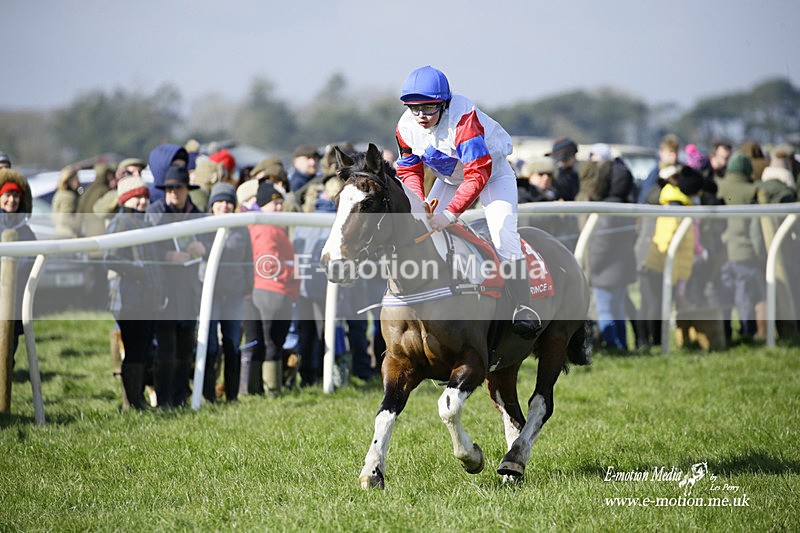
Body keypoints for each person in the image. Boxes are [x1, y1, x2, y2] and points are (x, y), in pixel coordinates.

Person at [394, 65, 539, 338]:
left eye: (428, 108)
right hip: (449, 180)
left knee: (503, 234)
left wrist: (448, 215)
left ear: (444, 104)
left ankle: (523, 308)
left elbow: (478, 173)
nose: (421, 116)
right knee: (421, 230)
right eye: (415, 108)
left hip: (492, 175)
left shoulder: (463, 120)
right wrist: (420, 201)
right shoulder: (405, 127)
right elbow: (409, 169)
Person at [145, 165, 207, 407]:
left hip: (190, 292)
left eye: (178, 188)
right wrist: (167, 256)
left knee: (184, 350)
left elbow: (212, 240)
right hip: (165, 292)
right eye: (169, 189)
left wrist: (205, 247)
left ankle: (180, 398)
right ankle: (164, 401)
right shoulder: (154, 213)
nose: (174, 193)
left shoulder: (198, 214)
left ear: (186, 190)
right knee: (166, 351)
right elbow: (146, 247)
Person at [104, 175, 165, 410]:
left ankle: (137, 398)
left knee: (143, 349)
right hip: (129, 299)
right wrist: (136, 270)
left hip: (148, 299)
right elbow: (110, 258)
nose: (141, 201)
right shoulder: (120, 222)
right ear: (126, 199)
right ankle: (132, 402)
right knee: (135, 351)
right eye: (137, 197)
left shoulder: (145, 222)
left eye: (144, 196)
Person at [583, 145, 638, 352]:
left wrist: (593, 267)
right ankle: (622, 345)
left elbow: (601, 243)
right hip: (622, 266)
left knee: (606, 310)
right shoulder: (625, 201)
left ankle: (613, 346)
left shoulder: (607, 207)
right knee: (618, 309)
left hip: (605, 269)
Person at [202, 182, 253, 403]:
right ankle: (207, 393)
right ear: (212, 205)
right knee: (210, 344)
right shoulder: (202, 227)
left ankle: (232, 395)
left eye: (228, 202)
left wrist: (248, 288)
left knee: (232, 343)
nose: (224, 206)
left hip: (234, 293)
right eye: (219, 202)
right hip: (209, 293)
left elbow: (248, 261)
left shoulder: (241, 228)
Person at [249, 180, 300, 395]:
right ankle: (271, 390)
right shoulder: (266, 229)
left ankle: (270, 388)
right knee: (271, 343)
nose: (279, 207)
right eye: (274, 204)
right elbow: (268, 264)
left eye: (280, 203)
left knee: (273, 343)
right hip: (271, 290)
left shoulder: (273, 228)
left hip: (277, 291)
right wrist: (294, 271)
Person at [716, 152, 765, 341]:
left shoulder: (718, 187)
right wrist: (761, 256)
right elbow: (755, 231)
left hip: (721, 252)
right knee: (745, 298)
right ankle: (747, 333)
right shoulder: (751, 191)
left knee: (725, 296)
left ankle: (725, 333)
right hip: (744, 253)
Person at [0, 168, 37, 361]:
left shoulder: (26, 231)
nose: (11, 200)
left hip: (15, 300)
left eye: (15, 195)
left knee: (8, 354)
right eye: (7, 195)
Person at [93, 157, 147, 225]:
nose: (137, 175)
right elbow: (98, 210)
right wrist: (124, 196)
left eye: (139, 172)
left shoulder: (146, 196)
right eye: (131, 172)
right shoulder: (113, 194)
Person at [638, 133, 681, 204]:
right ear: (661, 153)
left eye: (676, 152)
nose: (674, 156)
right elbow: (644, 199)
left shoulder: (682, 171)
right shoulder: (655, 174)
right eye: (670, 152)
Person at [51, 166, 82, 238]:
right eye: (74, 179)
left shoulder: (59, 193)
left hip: (60, 232)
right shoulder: (69, 196)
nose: (77, 182)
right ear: (67, 180)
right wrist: (80, 223)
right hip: (69, 234)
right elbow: (65, 218)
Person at [546, 137, 580, 202]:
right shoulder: (555, 175)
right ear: (566, 156)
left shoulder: (571, 174)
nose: (575, 159)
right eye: (573, 155)